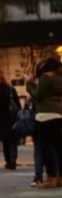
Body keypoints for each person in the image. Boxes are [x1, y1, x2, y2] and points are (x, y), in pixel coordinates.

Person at [33, 57, 62, 188]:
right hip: (59, 114)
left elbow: (38, 95)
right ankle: (61, 176)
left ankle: (51, 176)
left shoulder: (46, 77)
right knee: (59, 147)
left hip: (45, 116)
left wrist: (30, 85)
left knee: (47, 148)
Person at [0, 74, 21, 170]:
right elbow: (18, 105)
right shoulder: (11, 90)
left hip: (0, 120)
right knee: (13, 141)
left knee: (5, 142)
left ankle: (8, 161)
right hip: (11, 118)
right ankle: (13, 161)